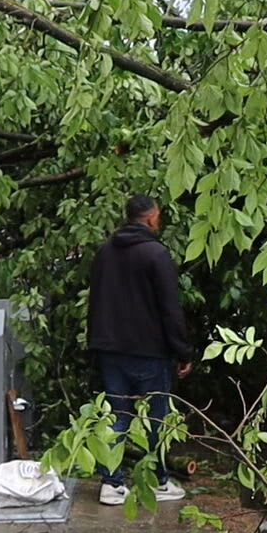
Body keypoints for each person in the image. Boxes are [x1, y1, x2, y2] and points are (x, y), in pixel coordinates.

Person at [86, 194, 191, 506]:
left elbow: (95, 301)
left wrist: (95, 343)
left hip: (110, 348)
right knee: (154, 418)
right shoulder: (156, 254)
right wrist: (182, 351)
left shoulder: (105, 251)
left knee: (117, 415)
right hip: (149, 350)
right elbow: (169, 309)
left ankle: (112, 482)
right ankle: (158, 479)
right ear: (151, 218)